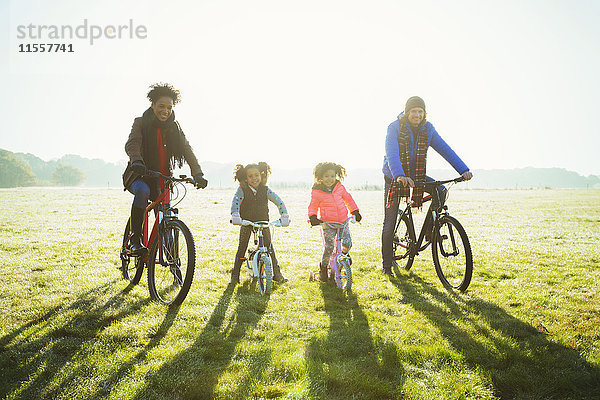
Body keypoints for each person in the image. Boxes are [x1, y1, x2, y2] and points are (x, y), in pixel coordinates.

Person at [381, 96, 472, 276]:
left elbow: (445, 149)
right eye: (413, 111)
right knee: (390, 221)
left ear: (424, 113)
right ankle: (386, 266)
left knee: (440, 190)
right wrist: (399, 175)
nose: (417, 114)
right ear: (407, 113)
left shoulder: (428, 129)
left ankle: (432, 229)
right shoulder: (394, 128)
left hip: (416, 174)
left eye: (420, 111)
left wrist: (463, 169)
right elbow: (391, 154)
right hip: (394, 175)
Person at [123, 83, 208, 255]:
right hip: (139, 174)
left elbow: (187, 149)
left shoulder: (174, 128)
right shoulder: (140, 123)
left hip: (161, 178)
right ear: (152, 105)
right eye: (161, 106)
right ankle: (136, 240)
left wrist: (197, 173)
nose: (165, 111)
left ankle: (171, 256)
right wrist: (137, 161)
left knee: (166, 214)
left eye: (169, 107)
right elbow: (133, 143)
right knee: (143, 191)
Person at [230, 162, 290, 285]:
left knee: (269, 247)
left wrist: (284, 215)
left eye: (256, 175)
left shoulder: (265, 190)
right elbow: (236, 202)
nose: (254, 178)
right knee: (242, 247)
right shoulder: (243, 190)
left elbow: (279, 201)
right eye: (250, 176)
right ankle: (235, 275)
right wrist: (235, 215)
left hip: (263, 221)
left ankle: (277, 273)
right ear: (245, 178)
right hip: (246, 221)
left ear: (261, 175)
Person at [308, 162, 362, 282]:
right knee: (329, 247)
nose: (330, 179)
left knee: (347, 243)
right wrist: (313, 217)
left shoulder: (339, 187)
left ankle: (344, 256)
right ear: (320, 177)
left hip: (343, 222)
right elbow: (313, 206)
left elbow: (348, 199)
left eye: (332, 176)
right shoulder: (317, 191)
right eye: (326, 176)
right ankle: (323, 268)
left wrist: (355, 211)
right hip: (328, 224)